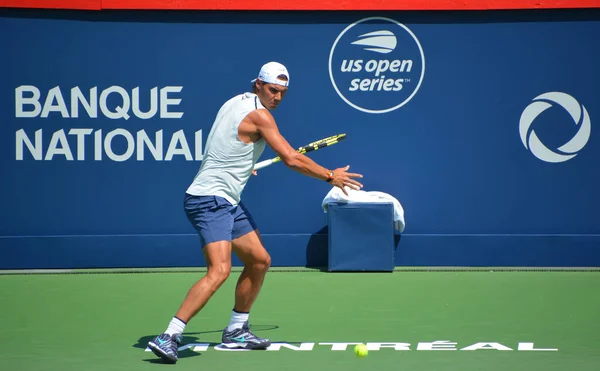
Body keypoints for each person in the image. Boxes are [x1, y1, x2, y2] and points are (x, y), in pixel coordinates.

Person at [148, 61, 364, 363]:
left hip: (227, 198)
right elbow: (291, 158)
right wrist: (330, 176)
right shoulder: (261, 117)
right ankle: (170, 334)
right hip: (210, 199)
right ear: (258, 85)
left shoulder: (235, 102)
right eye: (273, 90)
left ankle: (237, 330)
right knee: (220, 270)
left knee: (259, 260)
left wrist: (241, 162)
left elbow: (227, 140)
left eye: (283, 93)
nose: (277, 97)